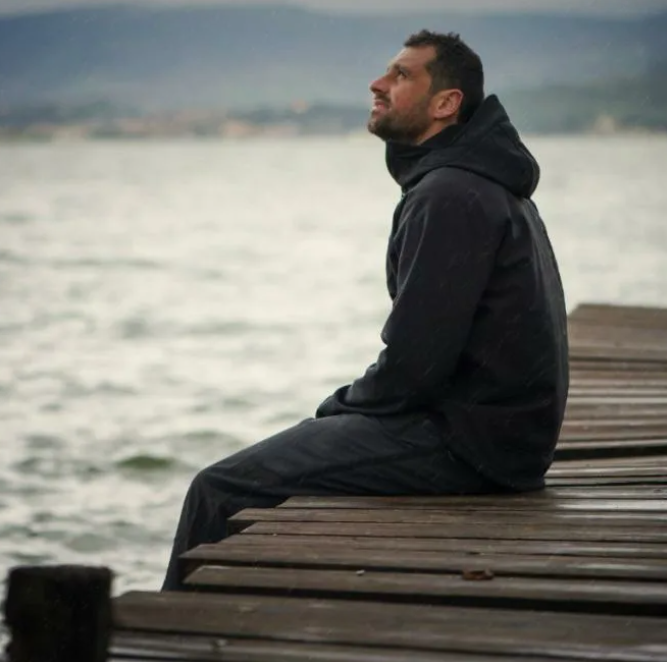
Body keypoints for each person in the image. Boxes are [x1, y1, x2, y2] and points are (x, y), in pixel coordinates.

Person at [160, 30, 568, 590]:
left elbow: (416, 365)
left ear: (446, 103)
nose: (378, 84)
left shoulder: (450, 195)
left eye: (401, 75)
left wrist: (340, 407)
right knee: (298, 449)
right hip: (500, 437)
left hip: (472, 448)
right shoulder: (477, 183)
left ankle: (176, 628)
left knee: (220, 488)